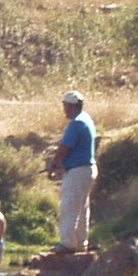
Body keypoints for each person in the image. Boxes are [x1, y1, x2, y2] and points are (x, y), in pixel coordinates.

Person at [47, 90, 97, 253]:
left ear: (71, 106)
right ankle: (81, 242)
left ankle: (68, 243)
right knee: (82, 208)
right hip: (87, 169)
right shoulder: (86, 119)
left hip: (78, 172)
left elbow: (65, 148)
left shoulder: (76, 123)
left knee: (69, 206)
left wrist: (54, 164)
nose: (64, 110)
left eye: (65, 106)